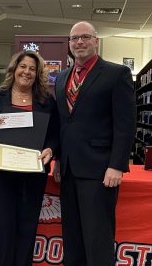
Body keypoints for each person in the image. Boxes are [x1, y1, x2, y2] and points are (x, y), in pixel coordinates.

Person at [53, 21, 136, 266]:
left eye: (85, 37)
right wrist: (58, 159)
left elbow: (125, 123)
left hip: (100, 170)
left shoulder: (116, 73)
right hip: (68, 170)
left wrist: (117, 165)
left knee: (97, 237)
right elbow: (62, 123)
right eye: (74, 38)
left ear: (96, 41)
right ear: (69, 44)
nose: (79, 42)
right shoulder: (61, 78)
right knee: (73, 237)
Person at [0, 50, 59, 266]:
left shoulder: (46, 100)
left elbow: (55, 134)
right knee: (2, 225)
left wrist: (50, 149)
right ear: (14, 69)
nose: (27, 72)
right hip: (0, 172)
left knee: (27, 224)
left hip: (32, 171)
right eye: (23, 67)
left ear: (37, 73)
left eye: (32, 68)